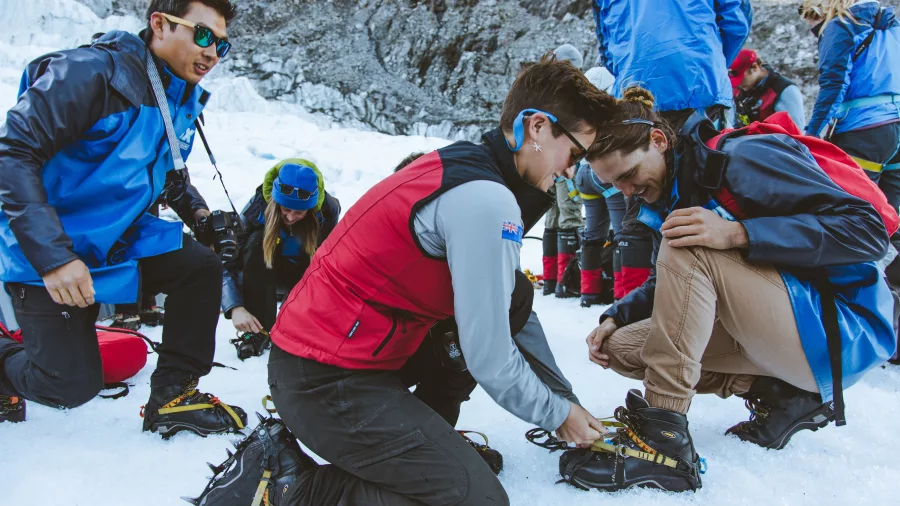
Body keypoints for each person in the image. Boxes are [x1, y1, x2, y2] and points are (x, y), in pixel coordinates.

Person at [191, 56, 613, 506]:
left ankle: (429, 441)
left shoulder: (463, 166)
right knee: (475, 500)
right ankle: (286, 485)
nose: (572, 170)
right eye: (575, 152)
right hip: (324, 377)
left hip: (341, 357)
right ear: (537, 128)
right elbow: (488, 354)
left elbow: (509, 310)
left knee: (516, 293)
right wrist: (557, 413)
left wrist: (563, 400)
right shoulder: (488, 201)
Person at [559, 87, 897, 492]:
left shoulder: (743, 159)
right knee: (625, 348)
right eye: (616, 185)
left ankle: (664, 443)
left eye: (629, 175)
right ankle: (783, 395)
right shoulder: (675, 190)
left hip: (840, 326)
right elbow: (670, 281)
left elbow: (868, 231)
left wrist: (739, 233)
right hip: (786, 325)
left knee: (690, 240)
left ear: (659, 141)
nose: (628, 192)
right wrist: (616, 315)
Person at [0, 0, 247, 435]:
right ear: (159, 24)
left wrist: (202, 217)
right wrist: (53, 256)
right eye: (203, 35)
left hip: (114, 240)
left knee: (199, 269)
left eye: (222, 45)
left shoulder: (177, 95)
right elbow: (12, 152)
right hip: (48, 248)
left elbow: (168, 174)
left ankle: (172, 396)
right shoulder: (89, 73)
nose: (212, 53)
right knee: (68, 387)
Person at [222, 159, 340, 359]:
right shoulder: (258, 205)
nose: (291, 217)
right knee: (257, 241)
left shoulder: (328, 210)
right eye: (285, 209)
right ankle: (258, 330)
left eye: (299, 212)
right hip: (262, 273)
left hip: (300, 273)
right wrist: (235, 307)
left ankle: (296, 322)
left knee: (318, 255)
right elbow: (227, 260)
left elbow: (328, 262)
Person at [801, 0, 900, 232]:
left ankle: (856, 267)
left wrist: (811, 137)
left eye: (815, 25)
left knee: (857, 216)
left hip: (865, 133)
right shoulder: (892, 27)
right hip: (895, 129)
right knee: (892, 219)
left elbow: (833, 86)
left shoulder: (841, 26)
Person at [542, 44, 587, 298]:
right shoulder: (570, 94)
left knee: (553, 217)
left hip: (547, 165)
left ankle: (552, 281)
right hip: (566, 165)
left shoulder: (544, 92)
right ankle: (565, 282)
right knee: (569, 216)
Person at [730, 49, 806, 128]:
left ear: (755, 67)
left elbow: (796, 133)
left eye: (741, 78)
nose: (738, 84)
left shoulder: (784, 91)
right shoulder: (738, 89)